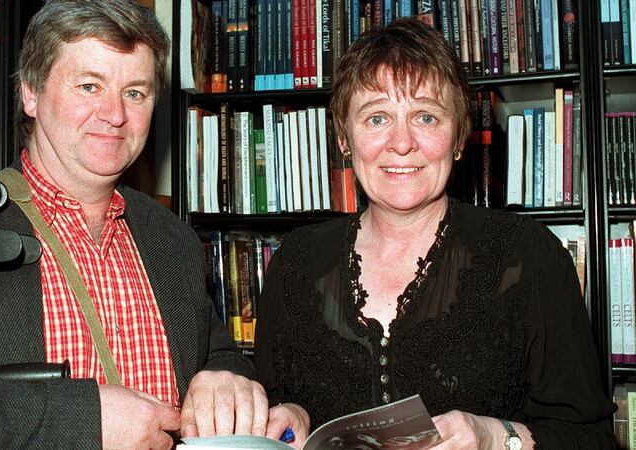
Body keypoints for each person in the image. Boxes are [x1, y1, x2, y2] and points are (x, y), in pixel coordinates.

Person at [0, 1, 268, 448]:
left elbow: (215, 353)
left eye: (135, 93)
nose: (115, 114)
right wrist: (80, 420)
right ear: (30, 92)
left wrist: (226, 380)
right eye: (89, 85)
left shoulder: (172, 237)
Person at [255, 17, 616, 450]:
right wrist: (288, 419)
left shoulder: (527, 254)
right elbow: (273, 413)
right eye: (376, 118)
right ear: (344, 139)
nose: (402, 142)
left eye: (426, 116)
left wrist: (493, 437)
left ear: (459, 136)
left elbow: (591, 438)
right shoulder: (294, 261)